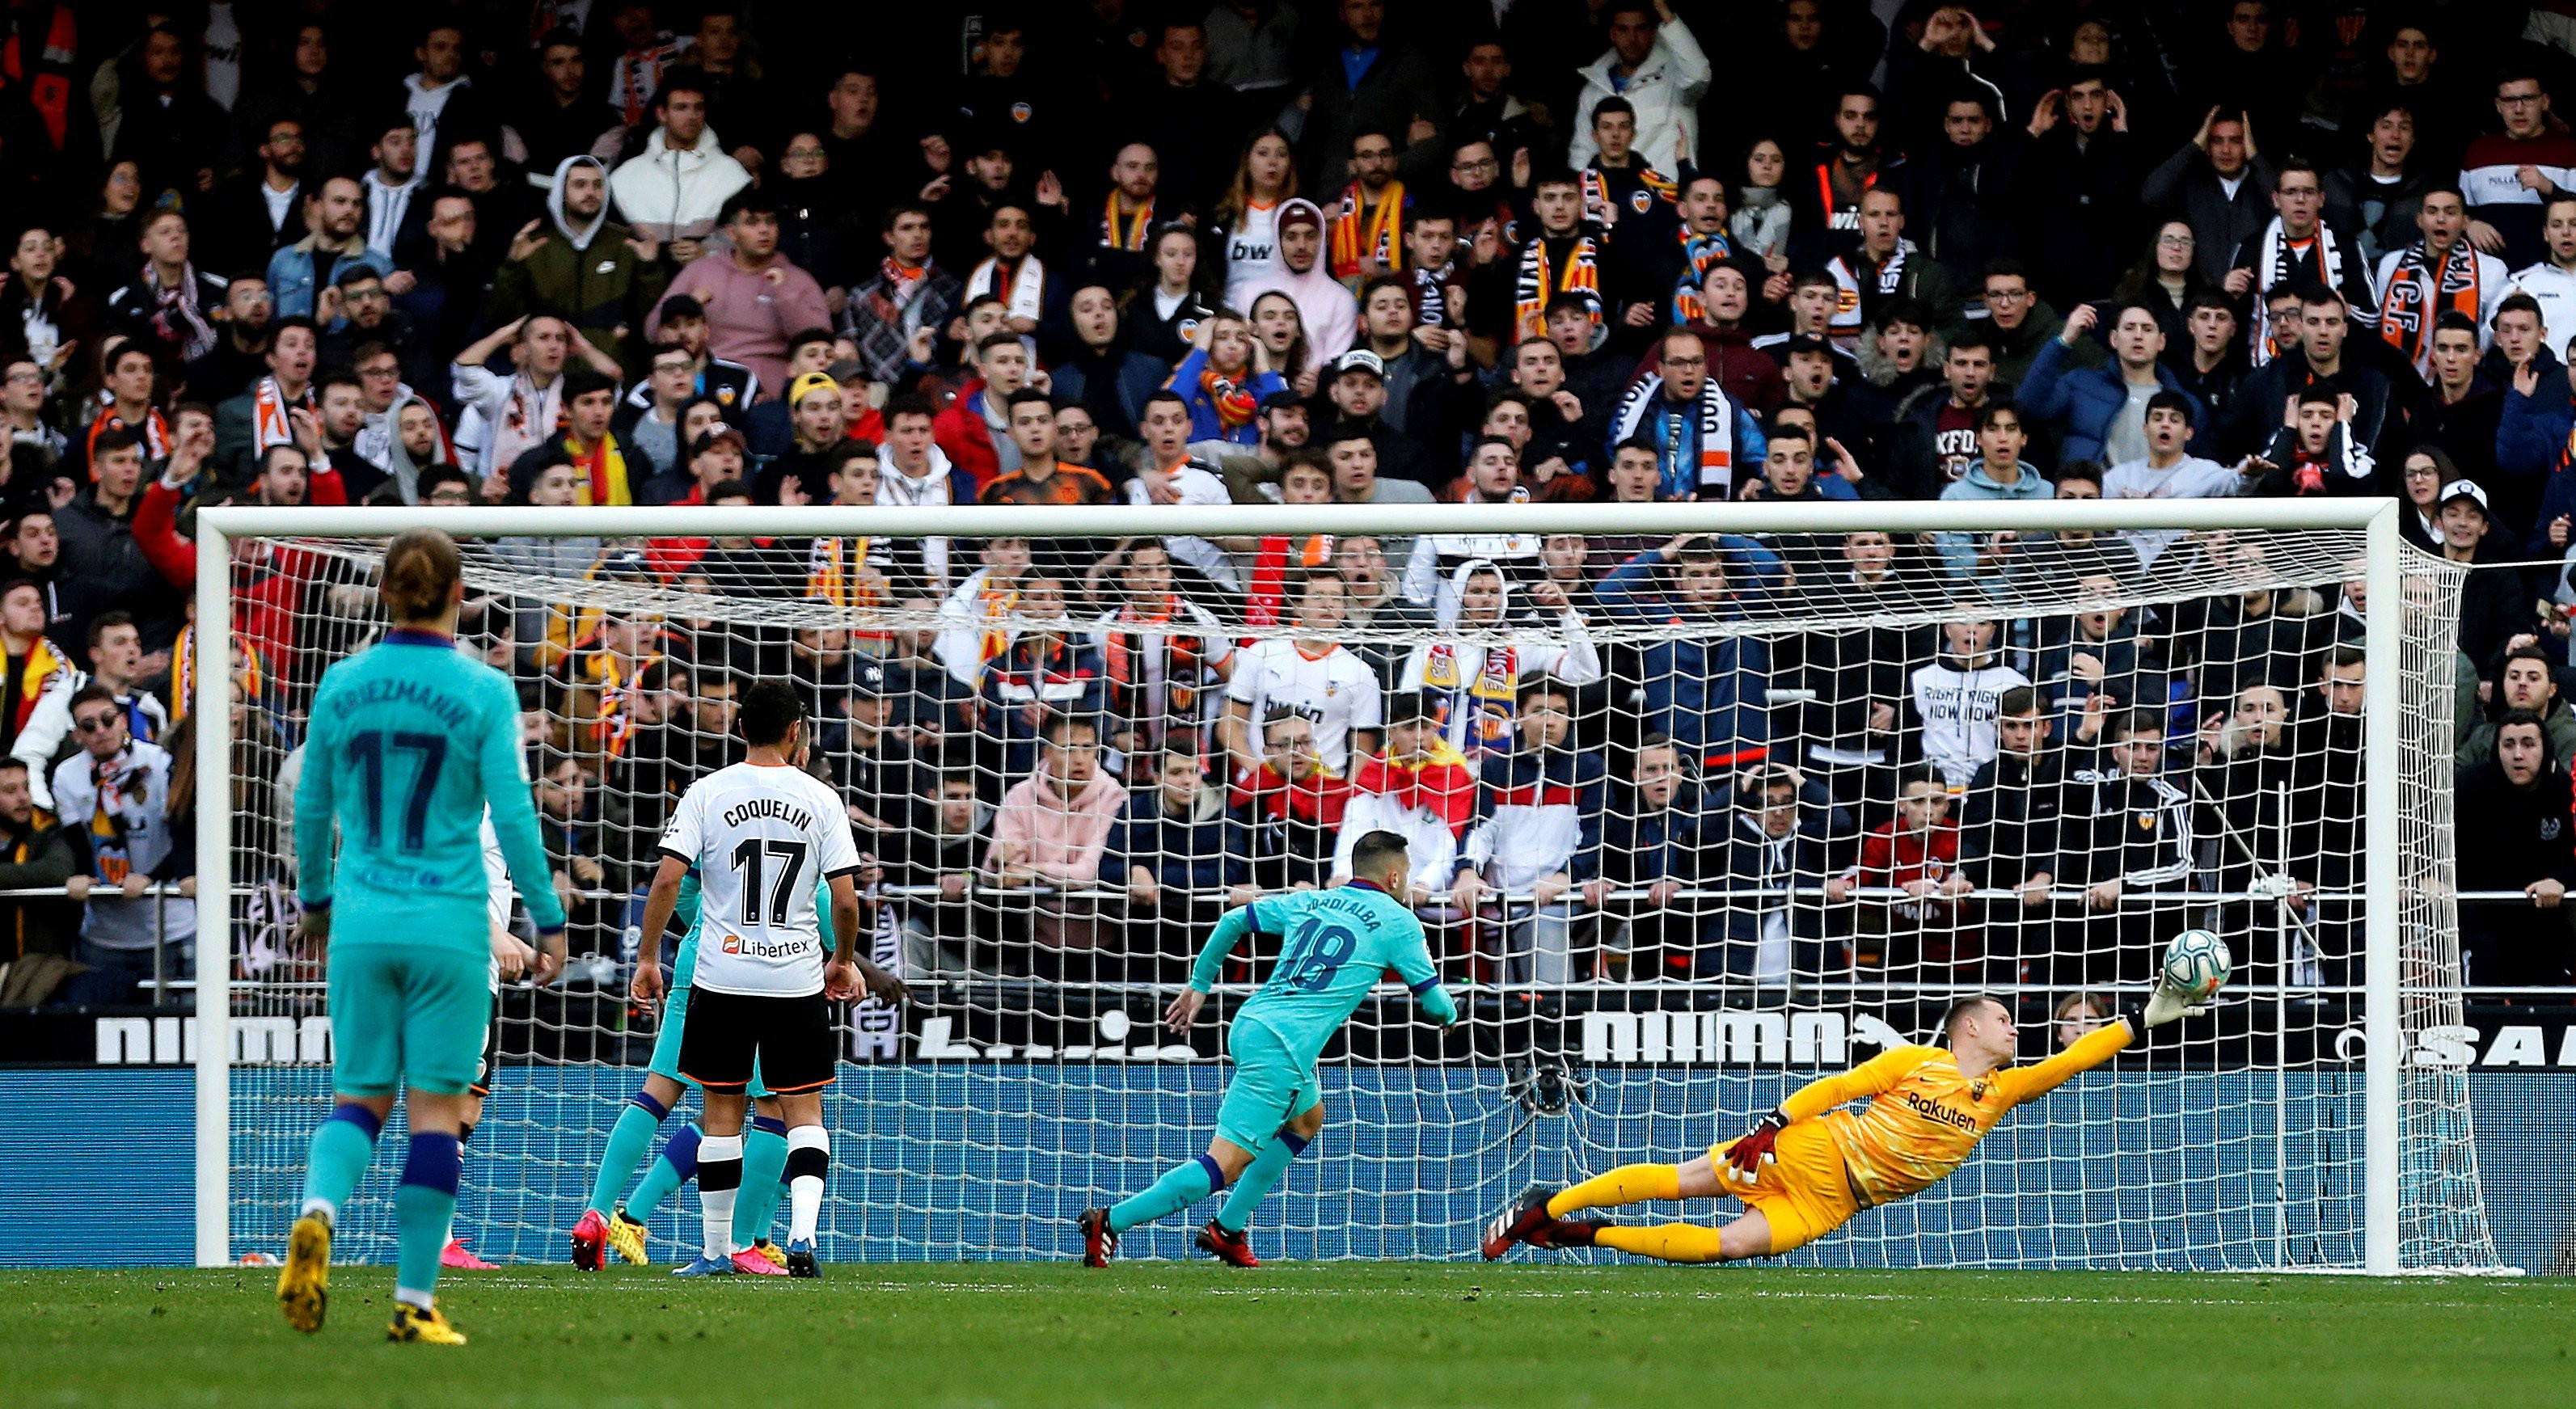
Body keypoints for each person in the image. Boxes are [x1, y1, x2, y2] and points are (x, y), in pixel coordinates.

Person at [277, 529, 568, 1344]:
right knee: (437, 1112)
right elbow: (512, 815)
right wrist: (545, 918)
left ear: (384, 591)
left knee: (360, 1098)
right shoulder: (481, 688)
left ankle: (317, 1215)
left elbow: (310, 808)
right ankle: (413, 1300)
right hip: (449, 924)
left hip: (363, 917)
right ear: (457, 592)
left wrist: (315, 901)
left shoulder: (343, 682)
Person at [1480, 990, 2197, 1263]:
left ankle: (1578, 1232)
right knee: (1685, 1181)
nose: (2017, 1030)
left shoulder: (2001, 1091)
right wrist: (1771, 1123)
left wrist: (2144, 1018)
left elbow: (2073, 1058)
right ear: (1970, 1026)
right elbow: (1840, 1086)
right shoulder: (1919, 1058)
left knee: (1727, 1247)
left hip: (1837, 1202)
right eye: (2005, 1020)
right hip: (1815, 1148)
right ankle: (1550, 1202)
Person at [629, 677, 907, 1279]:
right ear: (795, 732)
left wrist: (649, 956)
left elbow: (667, 881)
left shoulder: (705, 792)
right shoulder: (821, 799)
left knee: (720, 1116)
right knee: (802, 1112)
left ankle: (713, 1252)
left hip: (721, 977)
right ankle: (802, 1234)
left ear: (738, 729)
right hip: (793, 980)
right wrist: (844, 961)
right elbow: (847, 901)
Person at [1079, 829, 1456, 1268]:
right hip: (1281, 1046)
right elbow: (1435, 1003)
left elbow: (1232, 920)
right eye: (1407, 873)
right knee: (1225, 1165)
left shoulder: (1312, 900)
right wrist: (1450, 1016)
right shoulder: (1399, 923)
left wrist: (1199, 986)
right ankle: (1111, 1221)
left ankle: (1228, 1230)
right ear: (1394, 878)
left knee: (1306, 1121)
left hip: (1254, 1023)